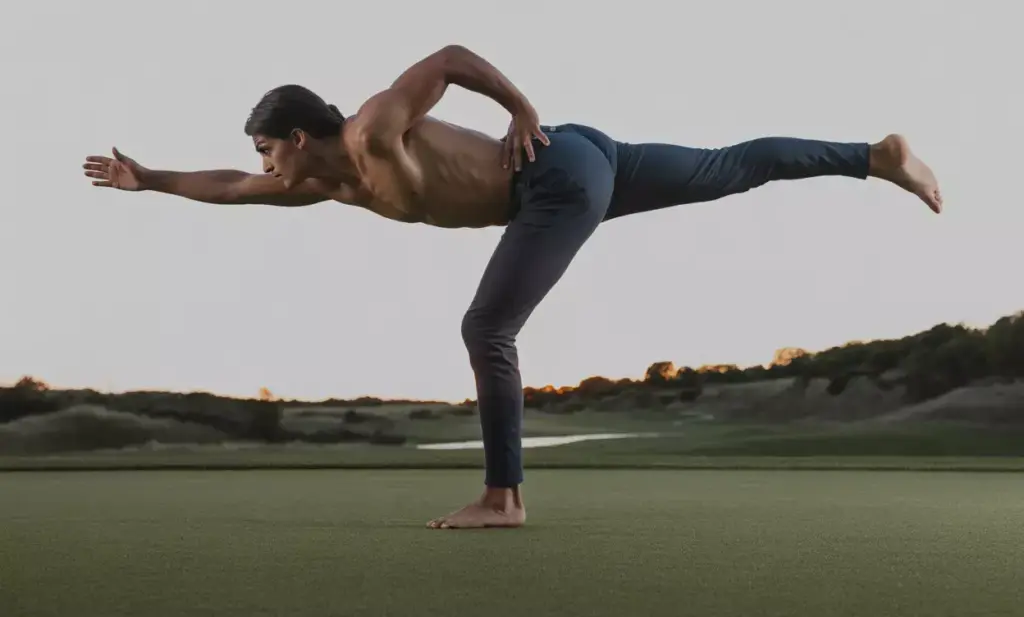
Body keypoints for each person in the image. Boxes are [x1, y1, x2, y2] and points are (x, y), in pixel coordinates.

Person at [83, 44, 943, 529]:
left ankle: (504, 495)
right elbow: (228, 184)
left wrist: (522, 108)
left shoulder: (377, 125)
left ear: (299, 135)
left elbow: (451, 56)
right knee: (730, 167)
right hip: (584, 159)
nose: (266, 167)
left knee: (486, 327)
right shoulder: (319, 181)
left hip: (554, 174)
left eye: (271, 150)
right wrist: (146, 178)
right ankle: (876, 157)